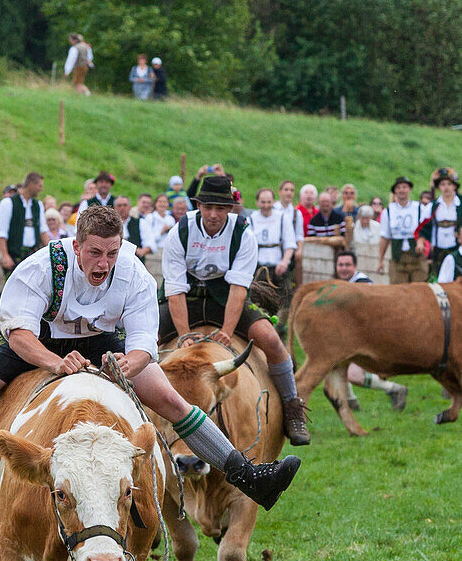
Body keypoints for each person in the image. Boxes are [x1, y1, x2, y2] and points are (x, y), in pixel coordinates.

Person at [0, 205, 301, 512]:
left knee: (174, 403)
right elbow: (19, 333)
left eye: (112, 253)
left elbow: (143, 342)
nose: (103, 263)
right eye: (95, 253)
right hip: (36, 342)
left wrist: (131, 366)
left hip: (103, 343)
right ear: (76, 245)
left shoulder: (135, 274)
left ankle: (249, 477)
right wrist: (54, 362)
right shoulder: (41, 266)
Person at [159, 175, 310, 446]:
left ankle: (292, 406)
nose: (214, 214)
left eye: (220, 208)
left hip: (225, 298)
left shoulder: (243, 233)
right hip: (188, 298)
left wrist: (228, 332)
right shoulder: (180, 231)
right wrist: (183, 334)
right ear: (198, 206)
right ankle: (123, 408)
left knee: (273, 341)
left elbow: (239, 289)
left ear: (230, 208)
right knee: (138, 342)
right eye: (208, 207)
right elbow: (175, 290)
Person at [334, 250, 408, 411]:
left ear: (355, 266)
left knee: (353, 375)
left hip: (373, 337)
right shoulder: (346, 285)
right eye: (340, 265)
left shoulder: (362, 284)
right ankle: (351, 402)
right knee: (337, 365)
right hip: (360, 337)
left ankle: (395, 389)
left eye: (348, 265)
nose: (343, 268)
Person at [0, 172, 50, 276]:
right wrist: (5, 255)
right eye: (40, 186)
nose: (41, 189)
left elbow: (43, 231)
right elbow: (1, 232)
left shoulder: (38, 205)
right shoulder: (8, 203)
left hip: (32, 254)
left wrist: (51, 252)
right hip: (14, 254)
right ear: (31, 184)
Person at [250, 188, 296, 309]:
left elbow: (290, 243)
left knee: (284, 299)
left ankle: (280, 326)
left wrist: (284, 262)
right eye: (263, 202)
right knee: (257, 298)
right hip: (259, 266)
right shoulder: (251, 218)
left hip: (278, 265)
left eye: (269, 202)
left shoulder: (282, 218)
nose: (266, 205)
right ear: (257, 203)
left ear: (273, 201)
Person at [378, 177, 431, 283]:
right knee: (398, 290)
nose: (401, 190)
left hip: (416, 256)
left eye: (404, 187)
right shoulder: (388, 211)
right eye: (398, 188)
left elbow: (425, 229)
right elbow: (385, 237)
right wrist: (380, 260)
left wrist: (421, 241)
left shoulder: (419, 208)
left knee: (419, 290)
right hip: (398, 257)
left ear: (409, 189)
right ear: (395, 191)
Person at [417, 168, 461, 277]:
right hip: (438, 249)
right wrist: (421, 241)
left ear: (454, 186)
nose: (446, 187)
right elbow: (423, 228)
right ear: (438, 187)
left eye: (449, 184)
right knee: (439, 279)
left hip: (457, 249)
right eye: (442, 184)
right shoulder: (433, 206)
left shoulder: (460, 204)